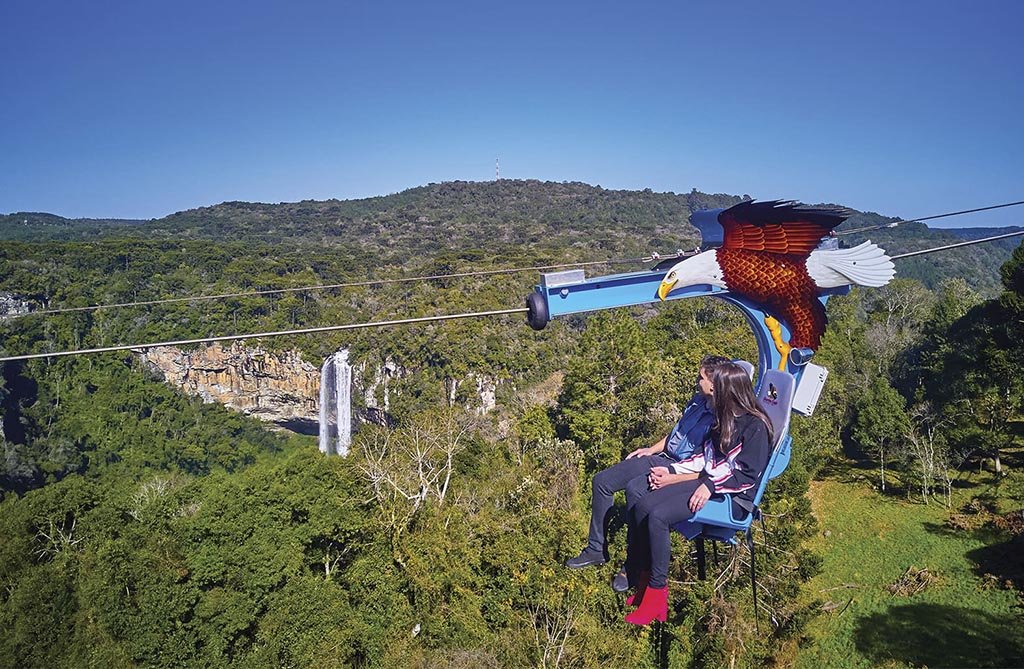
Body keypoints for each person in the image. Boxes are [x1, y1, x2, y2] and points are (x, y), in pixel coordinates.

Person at [621, 361, 774, 625]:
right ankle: (644, 583)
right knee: (643, 505)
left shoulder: (755, 427)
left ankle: (657, 597)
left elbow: (747, 475)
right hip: (711, 482)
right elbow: (708, 459)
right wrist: (674, 473)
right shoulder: (724, 420)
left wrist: (710, 485)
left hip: (732, 496)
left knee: (658, 516)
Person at [564, 355, 731, 587]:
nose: (696, 380)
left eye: (700, 377)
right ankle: (596, 549)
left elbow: (712, 468)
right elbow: (677, 434)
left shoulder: (722, 421)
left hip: (679, 469)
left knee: (635, 490)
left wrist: (673, 478)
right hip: (662, 457)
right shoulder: (697, 401)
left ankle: (634, 565)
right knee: (602, 481)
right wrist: (651, 449)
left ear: (713, 383)